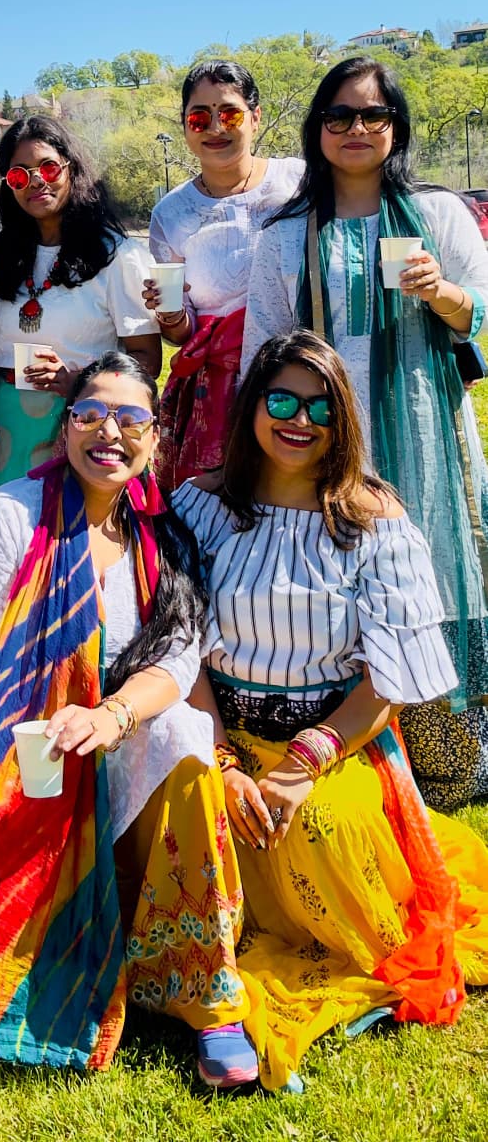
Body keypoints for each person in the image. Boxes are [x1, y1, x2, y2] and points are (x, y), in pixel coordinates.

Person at [0, 353, 259, 1091]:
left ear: (155, 437)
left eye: (130, 419)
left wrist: (112, 714)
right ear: (66, 423)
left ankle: (208, 997)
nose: (109, 432)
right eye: (90, 414)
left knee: (183, 733)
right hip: (17, 754)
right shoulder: (14, 516)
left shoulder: (161, 532)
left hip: (110, 745)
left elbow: (177, 660)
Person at [173, 331, 488, 1091]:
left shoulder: (374, 520)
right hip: (215, 728)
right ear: (251, 405)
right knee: (193, 809)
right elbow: (178, 652)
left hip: (335, 739)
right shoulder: (200, 504)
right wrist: (223, 761)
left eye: (319, 407)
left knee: (324, 824)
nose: (298, 420)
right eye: (280, 400)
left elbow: (389, 677)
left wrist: (301, 765)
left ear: (342, 418)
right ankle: (203, 971)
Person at [242, 56, 488, 809]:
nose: (356, 128)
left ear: (396, 128)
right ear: (316, 129)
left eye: (373, 115)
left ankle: (447, 761)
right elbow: (262, 352)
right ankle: (351, 750)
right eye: (339, 115)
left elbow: (480, 313)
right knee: (338, 580)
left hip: (420, 430)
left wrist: (442, 294)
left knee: (431, 570)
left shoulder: (439, 215)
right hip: (320, 436)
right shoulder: (285, 236)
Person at [0, 116, 160, 485]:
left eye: (48, 168)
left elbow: (148, 360)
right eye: (19, 176)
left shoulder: (117, 255)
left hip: (86, 423)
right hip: (6, 425)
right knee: (8, 518)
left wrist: (78, 381)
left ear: (71, 169)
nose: (36, 182)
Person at [144, 60, 302, 487]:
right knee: (217, 508)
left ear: (255, 117)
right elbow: (182, 332)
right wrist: (172, 316)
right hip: (215, 396)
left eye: (229, 114)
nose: (215, 128)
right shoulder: (170, 214)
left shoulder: (298, 183)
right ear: (185, 126)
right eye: (200, 118)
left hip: (295, 375)